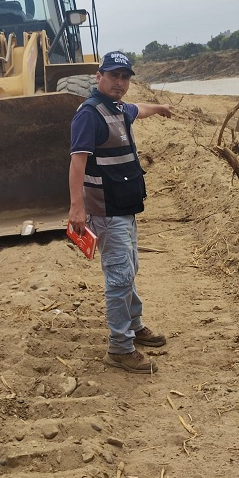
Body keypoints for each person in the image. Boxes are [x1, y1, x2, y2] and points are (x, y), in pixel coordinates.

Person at [68, 51, 173, 374]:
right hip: (105, 208)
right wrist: (77, 208)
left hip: (124, 207)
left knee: (130, 267)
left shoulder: (117, 108)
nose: (120, 82)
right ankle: (119, 347)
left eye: (125, 77)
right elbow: (77, 162)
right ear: (98, 76)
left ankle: (135, 325)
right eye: (114, 75)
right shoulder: (89, 114)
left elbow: (136, 110)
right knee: (119, 276)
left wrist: (159, 109)